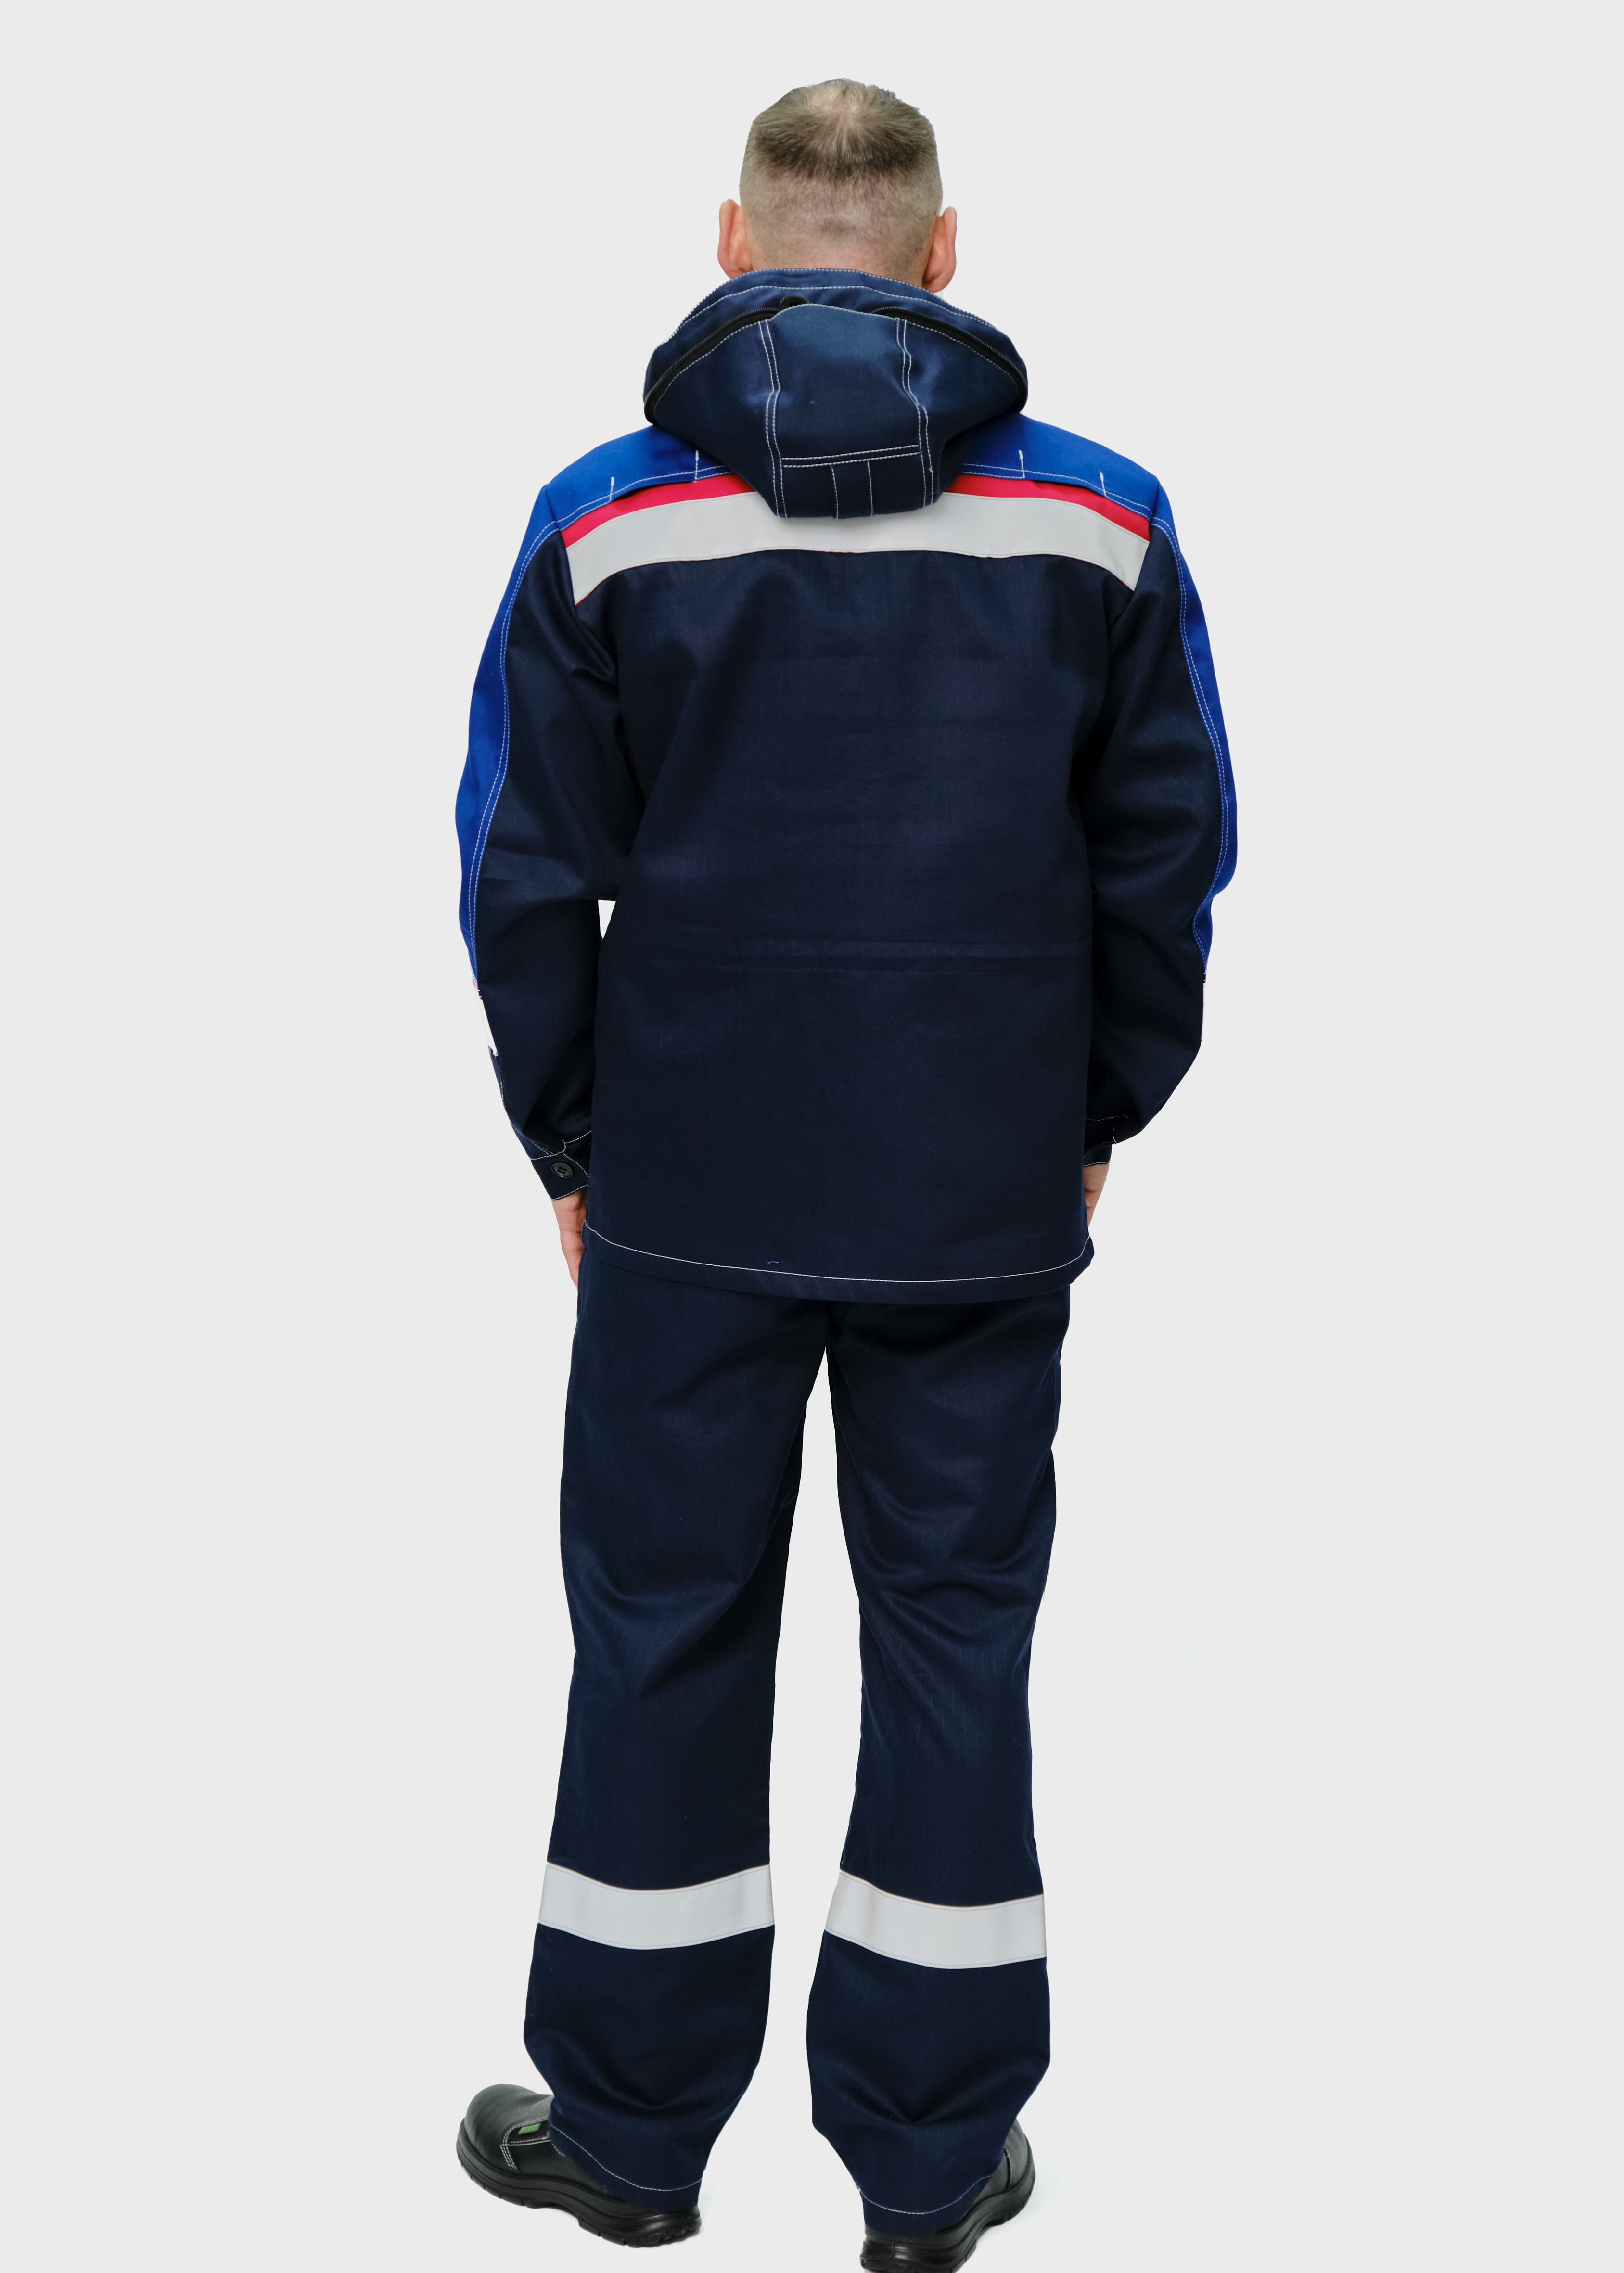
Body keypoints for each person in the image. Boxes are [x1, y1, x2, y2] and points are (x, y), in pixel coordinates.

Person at [451, 77, 1235, 2272]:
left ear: (732, 240)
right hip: (974, 1187)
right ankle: (925, 2163)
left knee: (662, 1629)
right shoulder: (1101, 522)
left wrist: (572, 1138)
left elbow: (525, 870)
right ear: (943, 254)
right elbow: (1169, 858)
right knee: (955, 1640)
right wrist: (1088, 1110)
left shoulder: (605, 521)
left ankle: (631, 2138)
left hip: (688, 1188)